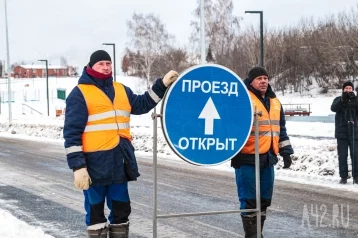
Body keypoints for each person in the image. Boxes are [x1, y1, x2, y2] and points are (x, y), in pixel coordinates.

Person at [63, 50, 178, 238]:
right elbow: (71, 133)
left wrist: (162, 85)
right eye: (101, 64)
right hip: (93, 166)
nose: (106, 67)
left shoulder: (121, 89)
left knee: (121, 211)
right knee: (95, 213)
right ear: (91, 66)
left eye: (108, 63)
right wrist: (78, 167)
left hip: (119, 162)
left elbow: (141, 104)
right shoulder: (80, 94)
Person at [231, 66, 294, 238]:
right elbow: (232, 128)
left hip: (268, 158)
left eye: (266, 78)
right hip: (247, 158)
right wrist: (234, 153)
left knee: (264, 200)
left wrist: (285, 151)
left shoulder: (275, 102)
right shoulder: (242, 99)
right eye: (259, 78)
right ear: (251, 81)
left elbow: (280, 129)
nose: (264, 81)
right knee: (249, 200)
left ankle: (258, 234)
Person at [330, 81, 358, 185]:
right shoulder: (338, 99)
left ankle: (356, 176)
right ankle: (343, 176)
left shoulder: (356, 99)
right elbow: (333, 108)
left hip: (355, 132)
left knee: (355, 155)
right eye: (346, 88)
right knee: (342, 155)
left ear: (352, 89)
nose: (348, 90)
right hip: (342, 132)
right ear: (343, 89)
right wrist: (342, 100)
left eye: (350, 88)